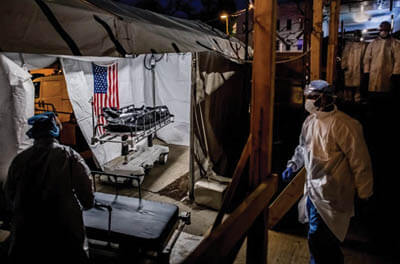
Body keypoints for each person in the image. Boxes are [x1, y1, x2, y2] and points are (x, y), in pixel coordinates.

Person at [282, 80, 373, 264]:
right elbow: (302, 148)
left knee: (321, 238)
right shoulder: (310, 122)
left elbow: (360, 161)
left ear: (325, 99)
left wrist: (365, 191)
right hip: (313, 191)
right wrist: (293, 165)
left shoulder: (344, 125)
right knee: (316, 237)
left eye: (312, 97)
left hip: (333, 193)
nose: (307, 100)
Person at [4, 112, 94, 263]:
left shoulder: (20, 160)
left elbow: (10, 194)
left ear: (35, 134)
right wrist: (87, 203)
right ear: (55, 130)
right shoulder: (69, 156)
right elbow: (86, 193)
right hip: (63, 225)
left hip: (28, 227)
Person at [341, 30, 367, 103]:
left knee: (358, 85)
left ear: (360, 36)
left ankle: (357, 98)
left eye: (358, 35)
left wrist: (364, 68)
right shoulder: (349, 45)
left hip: (358, 67)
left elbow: (365, 57)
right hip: (349, 67)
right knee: (347, 84)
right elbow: (344, 56)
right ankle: (347, 98)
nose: (357, 37)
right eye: (355, 35)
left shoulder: (363, 45)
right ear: (353, 36)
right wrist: (343, 65)